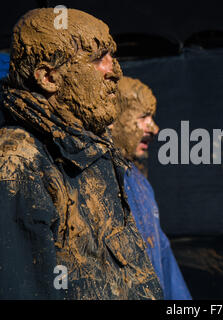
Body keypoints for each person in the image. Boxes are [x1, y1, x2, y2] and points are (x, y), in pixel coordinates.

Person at [0, 8, 163, 299]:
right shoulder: (20, 161)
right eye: (98, 58)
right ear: (48, 77)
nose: (115, 71)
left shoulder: (92, 153)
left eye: (112, 56)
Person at [110, 76, 192, 300]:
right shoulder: (94, 182)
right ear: (112, 118)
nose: (154, 128)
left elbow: (163, 257)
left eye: (152, 117)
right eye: (144, 116)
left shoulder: (141, 184)